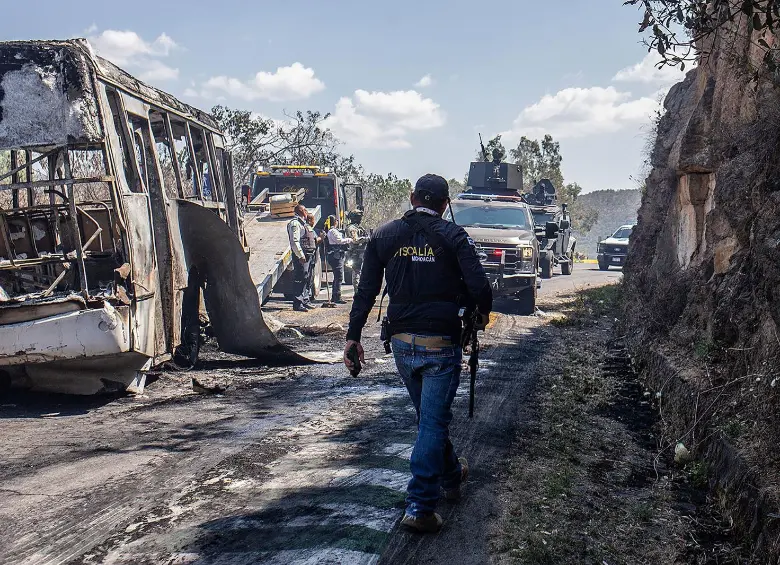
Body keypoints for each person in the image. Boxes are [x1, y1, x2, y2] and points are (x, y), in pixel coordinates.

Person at [344, 174, 492, 533]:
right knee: (432, 423)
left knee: (429, 420)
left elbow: (365, 290)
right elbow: (480, 288)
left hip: (401, 343)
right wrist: (481, 317)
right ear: (445, 204)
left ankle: (453, 474)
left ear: (412, 198)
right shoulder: (455, 237)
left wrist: (353, 336)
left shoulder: (384, 234)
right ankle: (421, 506)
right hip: (441, 344)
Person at [286, 204, 313, 312]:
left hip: (308, 255)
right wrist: (300, 255)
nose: (306, 212)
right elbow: (294, 241)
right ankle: (298, 304)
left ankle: (305, 300)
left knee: (306, 278)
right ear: (301, 211)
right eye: (305, 210)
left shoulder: (304, 224)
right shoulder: (295, 223)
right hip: (301, 256)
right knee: (300, 278)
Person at [325, 215, 353, 304]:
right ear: (335, 222)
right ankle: (337, 296)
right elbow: (340, 240)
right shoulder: (333, 231)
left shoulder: (332, 231)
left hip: (336, 255)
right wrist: (349, 239)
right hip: (336, 256)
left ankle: (335, 296)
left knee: (337, 277)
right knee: (339, 276)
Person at [304, 213, 322, 301]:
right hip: (309, 256)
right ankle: (307, 298)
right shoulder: (309, 229)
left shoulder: (305, 227)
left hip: (309, 256)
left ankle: (306, 298)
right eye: (313, 220)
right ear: (310, 220)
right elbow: (315, 240)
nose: (314, 222)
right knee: (308, 278)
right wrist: (321, 237)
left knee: (308, 277)